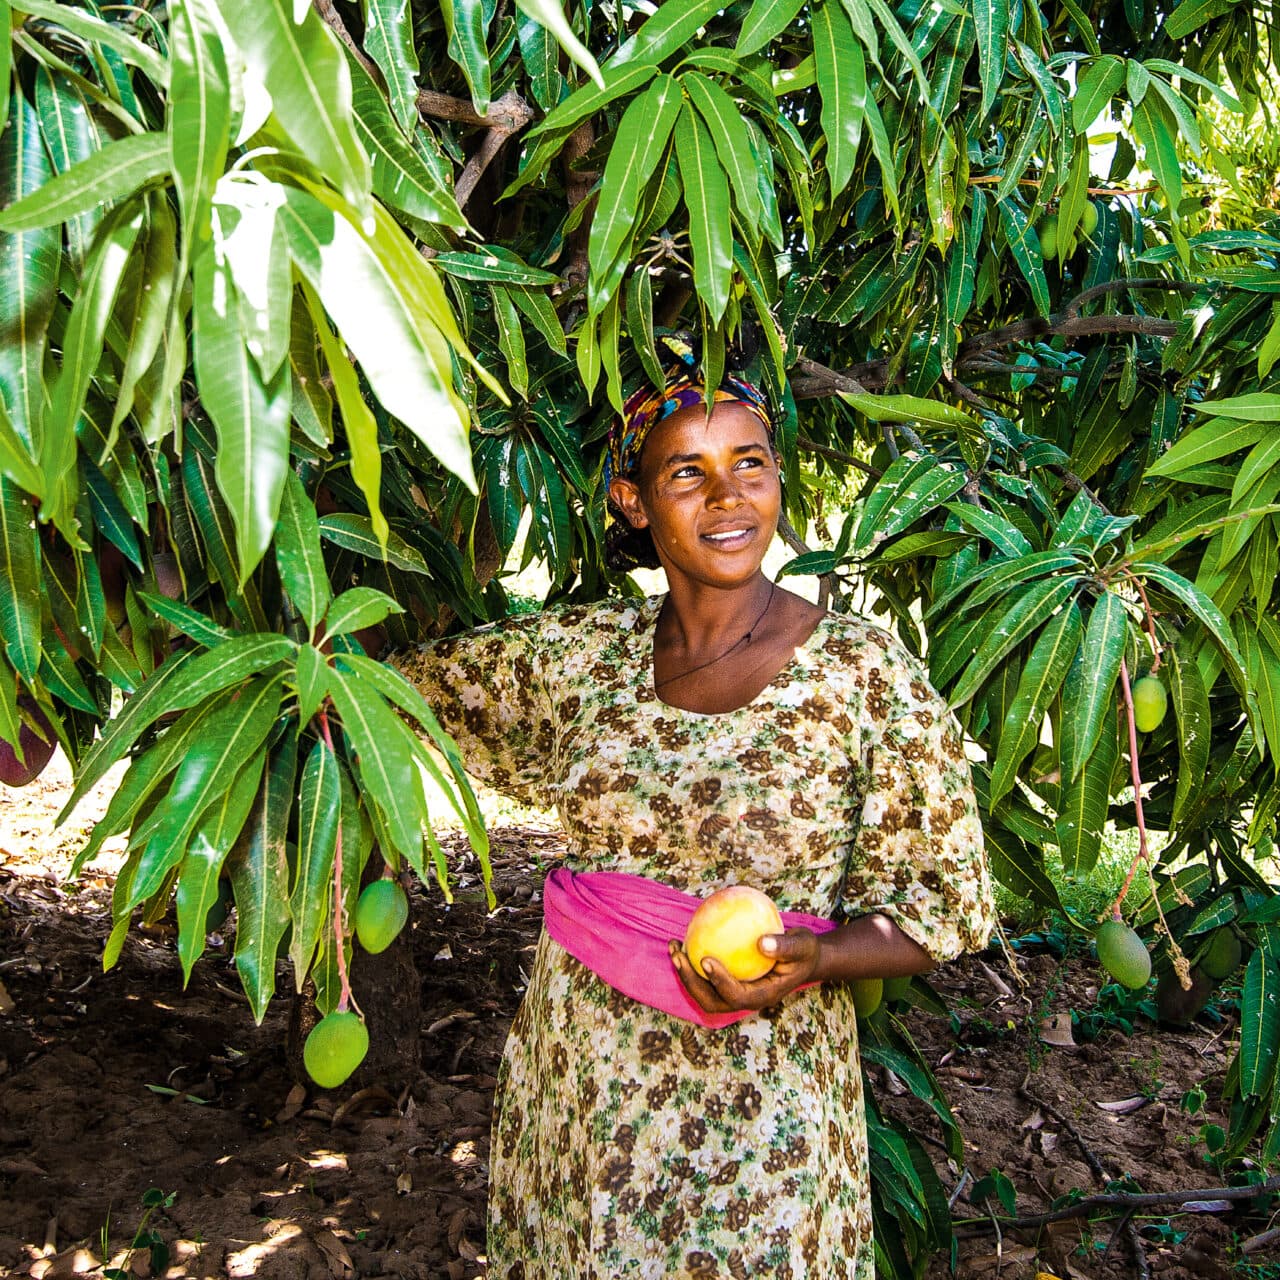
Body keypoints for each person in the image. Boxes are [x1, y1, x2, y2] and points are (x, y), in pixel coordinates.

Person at [391, 348, 994, 1278]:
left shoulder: (863, 674)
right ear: (634, 505)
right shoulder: (583, 656)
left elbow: (946, 901)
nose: (728, 498)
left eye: (750, 463)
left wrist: (817, 960)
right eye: (688, 473)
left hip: (763, 1107)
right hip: (583, 1084)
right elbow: (404, 694)